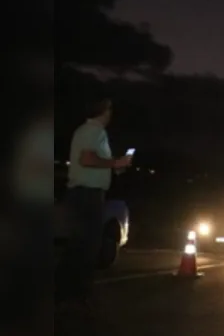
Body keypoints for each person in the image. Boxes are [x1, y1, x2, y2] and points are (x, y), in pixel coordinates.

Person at [57, 97, 132, 313]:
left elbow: (92, 161)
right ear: (104, 111)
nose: (111, 114)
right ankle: (73, 295)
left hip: (83, 195)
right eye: (109, 110)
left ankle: (68, 294)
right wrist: (115, 163)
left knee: (79, 246)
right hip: (87, 195)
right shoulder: (94, 131)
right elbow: (87, 159)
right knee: (86, 248)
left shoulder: (86, 131)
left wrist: (115, 166)